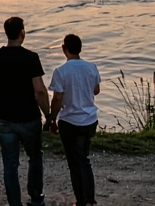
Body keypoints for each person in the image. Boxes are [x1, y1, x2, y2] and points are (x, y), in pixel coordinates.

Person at [0, 16, 50, 206]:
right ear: (22, 32)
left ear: (6, 33)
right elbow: (39, 90)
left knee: (10, 164)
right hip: (28, 115)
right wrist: (48, 115)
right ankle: (36, 198)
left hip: (5, 116)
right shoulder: (31, 57)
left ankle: (14, 203)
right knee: (35, 156)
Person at [48, 34, 101, 206]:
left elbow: (57, 98)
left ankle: (82, 200)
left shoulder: (61, 71)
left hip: (70, 121)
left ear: (64, 49)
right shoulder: (91, 67)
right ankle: (89, 199)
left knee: (75, 163)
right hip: (90, 119)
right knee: (84, 158)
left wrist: (52, 119)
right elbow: (96, 90)